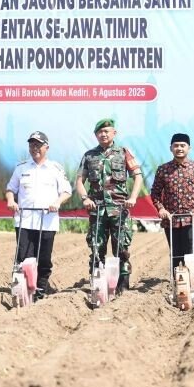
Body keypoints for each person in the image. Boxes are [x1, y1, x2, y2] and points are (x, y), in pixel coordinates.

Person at [75, 118, 143, 292]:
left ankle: (123, 283)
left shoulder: (123, 152)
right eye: (100, 132)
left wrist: (133, 197)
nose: (103, 134)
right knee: (97, 248)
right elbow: (79, 181)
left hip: (119, 208)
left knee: (121, 247)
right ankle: (98, 283)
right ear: (96, 135)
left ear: (114, 133)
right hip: (97, 209)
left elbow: (138, 176)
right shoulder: (89, 156)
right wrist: (85, 198)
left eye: (107, 131)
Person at [5, 131, 73, 300]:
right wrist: (11, 201)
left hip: (47, 221)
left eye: (38, 145)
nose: (34, 148)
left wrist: (57, 202)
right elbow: (10, 189)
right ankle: (23, 289)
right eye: (31, 144)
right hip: (25, 221)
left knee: (43, 259)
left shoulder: (55, 168)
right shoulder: (21, 168)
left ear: (46, 147)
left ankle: (41, 289)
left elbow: (66, 191)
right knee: (23, 258)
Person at [150, 133, 194, 270]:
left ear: (188, 148)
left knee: (190, 254)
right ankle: (176, 287)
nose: (179, 148)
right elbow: (155, 192)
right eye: (176, 146)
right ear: (171, 148)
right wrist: (161, 209)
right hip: (171, 219)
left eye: (182, 146)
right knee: (175, 254)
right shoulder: (163, 169)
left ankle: (191, 287)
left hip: (191, 218)